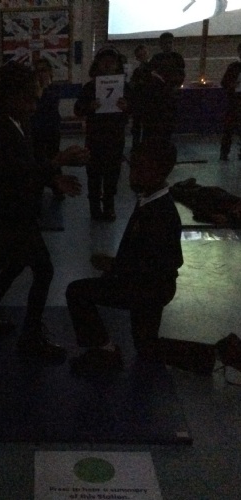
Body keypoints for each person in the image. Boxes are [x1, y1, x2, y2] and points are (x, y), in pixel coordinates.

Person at [0, 62, 89, 363]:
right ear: (11, 97)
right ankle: (30, 338)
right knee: (43, 270)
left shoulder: (15, 122)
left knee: (14, 266)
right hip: (9, 214)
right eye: (30, 100)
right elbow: (14, 172)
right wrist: (57, 162)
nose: (35, 106)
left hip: (15, 211)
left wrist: (52, 179)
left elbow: (27, 166)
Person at [66, 138, 187, 374]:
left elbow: (160, 264)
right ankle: (207, 356)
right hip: (150, 286)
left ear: (161, 171)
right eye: (132, 167)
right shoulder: (149, 199)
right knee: (146, 347)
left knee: (77, 292)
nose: (133, 175)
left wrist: (113, 266)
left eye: (141, 169)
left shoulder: (160, 213)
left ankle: (105, 351)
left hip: (148, 288)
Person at [74, 47, 130, 222]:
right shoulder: (90, 87)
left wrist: (127, 107)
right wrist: (89, 107)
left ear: (117, 64)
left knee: (112, 174)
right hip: (95, 138)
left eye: (111, 61)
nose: (107, 65)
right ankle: (94, 207)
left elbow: (138, 109)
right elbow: (77, 110)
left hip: (115, 137)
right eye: (104, 61)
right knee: (94, 174)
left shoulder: (125, 87)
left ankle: (109, 206)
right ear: (97, 64)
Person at [31, 57, 64, 200]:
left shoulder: (54, 89)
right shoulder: (32, 91)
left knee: (54, 158)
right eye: (38, 71)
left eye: (43, 70)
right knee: (37, 160)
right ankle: (37, 189)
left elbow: (50, 104)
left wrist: (43, 89)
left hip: (51, 131)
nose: (41, 74)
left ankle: (58, 187)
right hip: (35, 131)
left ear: (50, 72)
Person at [219, 42, 241, 161]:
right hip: (235, 99)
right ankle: (224, 152)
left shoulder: (234, 67)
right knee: (229, 126)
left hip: (235, 98)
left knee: (230, 126)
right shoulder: (233, 67)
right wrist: (232, 84)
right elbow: (224, 82)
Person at [129, 44, 151, 151]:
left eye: (144, 54)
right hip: (139, 102)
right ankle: (136, 147)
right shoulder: (137, 71)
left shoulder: (152, 69)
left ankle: (145, 147)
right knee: (137, 126)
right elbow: (132, 85)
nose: (143, 57)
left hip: (149, 102)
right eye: (140, 56)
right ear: (137, 58)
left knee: (147, 126)